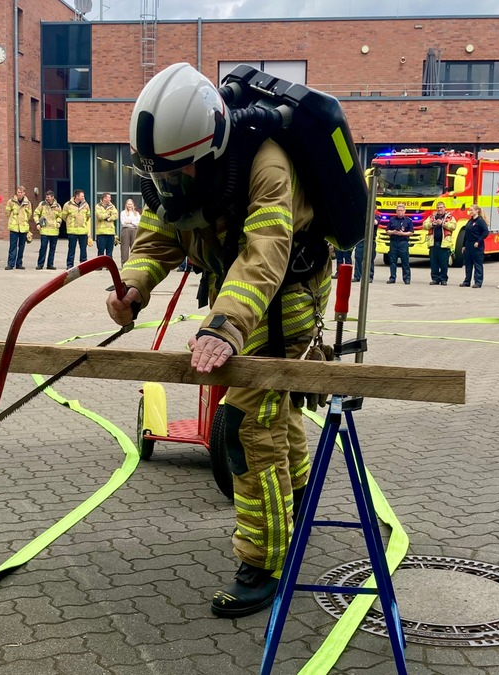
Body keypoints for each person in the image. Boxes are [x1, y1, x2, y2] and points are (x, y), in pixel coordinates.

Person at [109, 63, 333, 619]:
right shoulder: (177, 172)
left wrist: (226, 324)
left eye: (175, 174)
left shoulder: (268, 167)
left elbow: (265, 254)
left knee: (244, 427)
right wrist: (133, 287)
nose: (166, 185)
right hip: (242, 301)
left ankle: (264, 562)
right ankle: (299, 501)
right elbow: (164, 230)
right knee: (276, 417)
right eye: (158, 175)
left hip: (285, 302)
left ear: (208, 153)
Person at [458, 204, 489, 288]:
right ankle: (467, 281)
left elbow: (485, 232)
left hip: (477, 246)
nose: (470, 212)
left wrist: (478, 241)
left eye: (472, 210)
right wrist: (464, 245)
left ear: (477, 211)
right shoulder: (470, 221)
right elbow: (466, 234)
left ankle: (478, 282)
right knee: (468, 264)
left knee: (477, 264)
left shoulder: (480, 221)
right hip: (468, 245)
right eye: (470, 210)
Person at [425, 201, 455, 285]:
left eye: (441, 207)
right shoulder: (432, 217)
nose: (439, 209)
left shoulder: (449, 217)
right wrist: (432, 224)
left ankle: (443, 279)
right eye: (438, 207)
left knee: (443, 263)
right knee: (434, 263)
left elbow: (453, 226)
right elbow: (424, 225)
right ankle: (435, 279)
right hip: (433, 243)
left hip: (444, 244)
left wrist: (443, 223)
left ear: (444, 208)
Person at [384, 203, 413, 284]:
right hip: (394, 242)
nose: (400, 212)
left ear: (404, 211)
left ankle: (406, 278)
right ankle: (392, 278)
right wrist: (393, 232)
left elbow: (411, 232)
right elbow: (387, 231)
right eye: (398, 210)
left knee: (405, 262)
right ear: (396, 211)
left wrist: (402, 234)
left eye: (401, 210)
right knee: (392, 261)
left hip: (403, 243)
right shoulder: (392, 220)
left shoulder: (408, 220)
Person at [5, 185, 32, 270]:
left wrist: (23, 221)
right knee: (12, 247)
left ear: (24, 193)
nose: (19, 194)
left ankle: (19, 264)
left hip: (23, 228)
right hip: (14, 227)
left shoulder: (28, 203)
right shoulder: (11, 201)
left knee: (21, 247)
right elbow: (7, 212)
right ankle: (10, 264)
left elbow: (29, 214)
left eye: (21, 192)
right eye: (18, 192)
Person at [63, 189, 91, 269]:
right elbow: (64, 217)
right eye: (82, 196)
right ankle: (69, 265)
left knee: (83, 249)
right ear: (77, 196)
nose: (83, 197)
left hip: (83, 231)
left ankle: (83, 264)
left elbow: (88, 216)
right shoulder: (68, 205)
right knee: (71, 249)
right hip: (72, 231)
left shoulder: (86, 205)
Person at [34, 190, 62, 270]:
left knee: (52, 249)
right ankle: (40, 264)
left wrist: (58, 222)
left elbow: (60, 216)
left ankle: (50, 264)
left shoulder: (58, 206)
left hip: (54, 231)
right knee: (43, 247)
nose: (47, 198)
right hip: (44, 230)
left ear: (53, 197)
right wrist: (37, 223)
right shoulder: (42, 204)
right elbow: (36, 214)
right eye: (46, 197)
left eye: (48, 197)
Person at [94, 192, 118, 258]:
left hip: (111, 232)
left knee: (109, 251)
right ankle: (100, 266)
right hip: (101, 232)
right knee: (101, 250)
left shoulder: (112, 206)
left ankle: (108, 266)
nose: (110, 199)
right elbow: (99, 216)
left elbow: (116, 215)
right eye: (109, 197)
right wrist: (108, 214)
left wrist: (109, 219)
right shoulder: (98, 206)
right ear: (104, 198)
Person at [118, 198, 140, 264]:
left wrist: (129, 221)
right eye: (128, 204)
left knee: (134, 247)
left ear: (133, 205)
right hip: (125, 230)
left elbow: (138, 223)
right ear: (126, 205)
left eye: (130, 204)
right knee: (124, 248)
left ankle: (134, 262)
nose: (129, 205)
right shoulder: (123, 213)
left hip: (134, 231)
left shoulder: (137, 213)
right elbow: (123, 222)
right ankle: (124, 263)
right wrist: (133, 222)